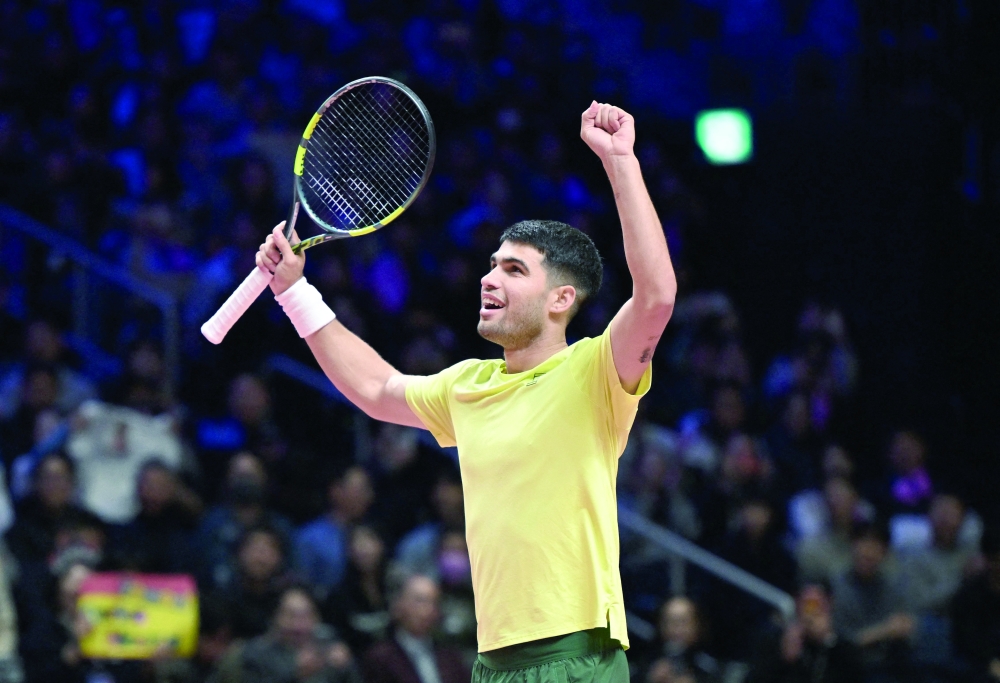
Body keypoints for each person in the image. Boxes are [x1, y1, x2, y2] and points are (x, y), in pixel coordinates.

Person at [256, 101, 676, 680]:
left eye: (513, 270)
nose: (488, 277)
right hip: (493, 662)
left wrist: (621, 161)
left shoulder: (596, 372)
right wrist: (294, 294)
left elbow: (655, 298)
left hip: (576, 656)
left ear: (561, 299)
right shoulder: (467, 385)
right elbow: (376, 388)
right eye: (491, 265)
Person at [239, 585, 361, 683]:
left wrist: (346, 667)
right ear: (275, 617)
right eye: (291, 616)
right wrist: (295, 674)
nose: (299, 626)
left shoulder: (328, 642)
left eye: (306, 615)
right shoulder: (258, 653)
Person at [746, 583, 864, 683]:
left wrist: (826, 642)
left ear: (829, 604)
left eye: (817, 605)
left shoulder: (844, 648)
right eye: (807, 604)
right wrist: (785, 658)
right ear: (797, 604)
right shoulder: (774, 639)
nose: (811, 613)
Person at [362, 575, 469, 683]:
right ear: (399, 605)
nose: (428, 610)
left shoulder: (450, 657)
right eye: (420, 601)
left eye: (434, 602)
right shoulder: (381, 658)